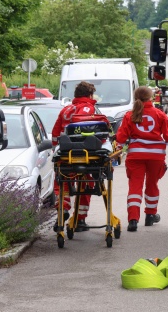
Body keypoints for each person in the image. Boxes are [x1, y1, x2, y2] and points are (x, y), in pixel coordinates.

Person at [116, 86, 168, 232]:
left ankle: (133, 220)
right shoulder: (159, 114)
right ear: (151, 98)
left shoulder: (129, 115)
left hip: (135, 157)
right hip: (155, 157)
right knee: (152, 185)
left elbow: (121, 138)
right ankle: (150, 216)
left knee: (135, 187)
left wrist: (116, 152)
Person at [51, 81, 104, 232]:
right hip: (90, 156)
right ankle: (80, 220)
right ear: (89, 95)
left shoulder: (66, 110)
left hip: (67, 155)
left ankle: (62, 210)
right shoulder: (94, 110)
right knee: (86, 185)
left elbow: (56, 135)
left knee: (62, 183)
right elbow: (102, 133)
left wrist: (56, 149)